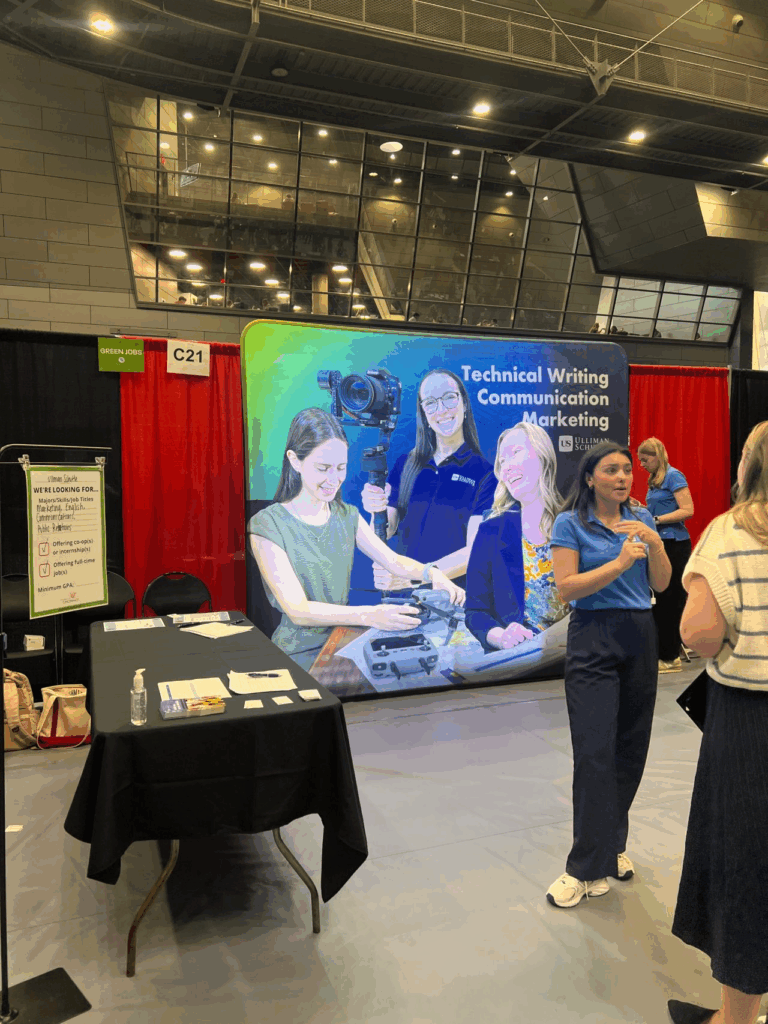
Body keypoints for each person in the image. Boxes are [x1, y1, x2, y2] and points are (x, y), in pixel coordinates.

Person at [667, 421, 768, 1024]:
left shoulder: (730, 531)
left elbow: (698, 635)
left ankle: (736, 1017)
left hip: (750, 723)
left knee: (746, 859)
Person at [545, 441, 671, 908]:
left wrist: (655, 544)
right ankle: (582, 868)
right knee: (594, 752)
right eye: (612, 470)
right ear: (591, 477)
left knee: (630, 750)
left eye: (627, 471)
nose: (623, 477)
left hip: (639, 634)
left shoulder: (642, 518)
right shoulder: (570, 522)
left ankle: (612, 846)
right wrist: (618, 562)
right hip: (592, 638)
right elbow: (566, 588)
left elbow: (660, 583)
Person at [249, 408, 464, 671]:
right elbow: (298, 610)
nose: (333, 480)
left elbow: (393, 560)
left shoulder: (346, 515)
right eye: (323, 468)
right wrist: (368, 615)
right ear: (295, 461)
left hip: (344, 643)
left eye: (340, 468)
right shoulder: (267, 524)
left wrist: (433, 573)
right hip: (297, 656)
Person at [361, 368, 496, 592]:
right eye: (431, 402)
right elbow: (388, 528)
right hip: (404, 601)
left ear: (465, 404)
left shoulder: (485, 474)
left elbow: (475, 552)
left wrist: (415, 577)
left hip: (455, 603)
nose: (441, 410)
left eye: (449, 398)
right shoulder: (405, 464)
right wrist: (375, 508)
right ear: (423, 413)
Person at [466, 422, 569, 651]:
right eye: (502, 462)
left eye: (515, 453)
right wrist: (501, 637)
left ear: (542, 455)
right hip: (520, 666)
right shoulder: (491, 530)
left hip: (575, 662)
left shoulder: (575, 524)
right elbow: (475, 612)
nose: (507, 467)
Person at [637, 438, 695, 673]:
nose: (641, 464)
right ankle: (669, 648)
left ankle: (670, 657)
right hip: (660, 544)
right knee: (660, 601)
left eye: (645, 459)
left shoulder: (674, 476)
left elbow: (687, 510)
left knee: (670, 600)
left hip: (675, 544)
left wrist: (656, 520)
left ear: (657, 456)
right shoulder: (654, 481)